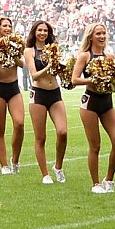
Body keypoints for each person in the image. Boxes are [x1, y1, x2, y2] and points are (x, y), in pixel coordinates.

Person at [70, 22, 115, 194]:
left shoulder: (110, 56)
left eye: (103, 33)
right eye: (98, 33)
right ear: (91, 36)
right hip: (90, 103)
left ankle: (109, 178)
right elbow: (75, 79)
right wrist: (93, 79)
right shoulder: (85, 56)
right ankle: (96, 184)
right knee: (95, 146)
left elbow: (114, 79)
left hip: (107, 102)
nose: (101, 36)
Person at [24, 20, 70, 184]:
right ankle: (45, 174)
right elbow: (35, 76)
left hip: (55, 93)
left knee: (62, 132)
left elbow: (59, 71)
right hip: (39, 95)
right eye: (40, 30)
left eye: (45, 30)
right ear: (34, 32)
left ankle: (58, 166)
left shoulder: (53, 49)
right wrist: (49, 66)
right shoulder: (29, 51)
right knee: (41, 137)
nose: (42, 33)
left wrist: (64, 69)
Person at [0, 15, 27, 175]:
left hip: (14, 88)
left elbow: (22, 64)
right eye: (4, 26)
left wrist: (13, 54)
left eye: (9, 26)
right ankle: (4, 165)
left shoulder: (15, 41)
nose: (7, 28)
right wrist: (1, 55)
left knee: (19, 124)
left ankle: (15, 160)